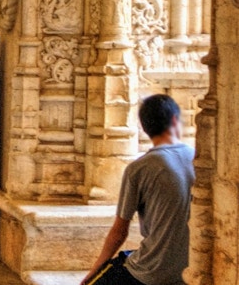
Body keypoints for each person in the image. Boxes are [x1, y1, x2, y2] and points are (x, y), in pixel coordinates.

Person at [79, 95, 194, 285]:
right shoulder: (196, 158)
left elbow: (119, 233)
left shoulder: (139, 169)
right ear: (175, 120)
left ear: (144, 128)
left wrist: (93, 273)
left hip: (151, 272)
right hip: (190, 268)